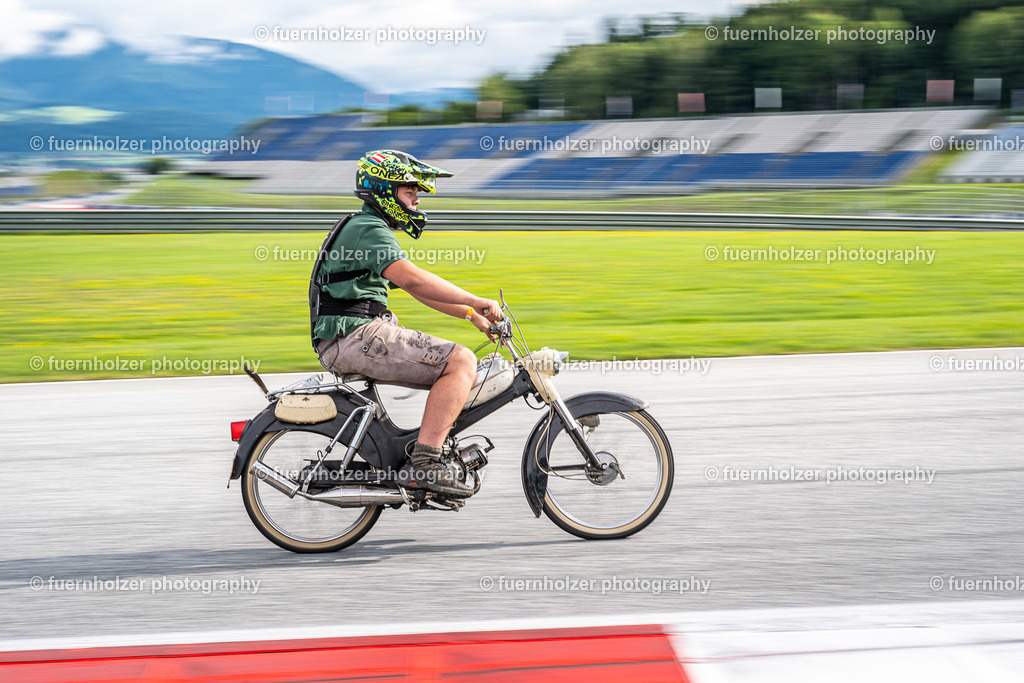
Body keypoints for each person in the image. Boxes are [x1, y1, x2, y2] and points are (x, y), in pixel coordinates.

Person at [312, 149, 502, 498]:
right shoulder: (369, 229)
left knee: (459, 364)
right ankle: (426, 463)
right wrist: (478, 300)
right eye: (409, 190)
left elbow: (414, 290)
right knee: (460, 362)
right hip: (354, 336)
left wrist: (471, 316)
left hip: (351, 336)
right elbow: (415, 280)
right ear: (385, 190)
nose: (417, 198)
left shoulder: (366, 228)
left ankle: (425, 453)